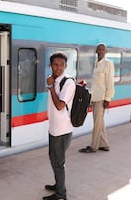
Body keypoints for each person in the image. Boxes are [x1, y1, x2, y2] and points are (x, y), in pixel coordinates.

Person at [44, 52, 75, 200]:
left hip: (62, 130)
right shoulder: (55, 80)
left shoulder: (68, 83)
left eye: (61, 65)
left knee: (58, 163)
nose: (58, 68)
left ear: (66, 66)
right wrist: (51, 84)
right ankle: (58, 185)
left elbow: (60, 106)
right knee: (53, 159)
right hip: (54, 128)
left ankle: (61, 195)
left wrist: (50, 87)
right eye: (55, 64)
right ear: (50, 65)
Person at [79, 43, 115, 153]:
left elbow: (110, 82)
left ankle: (94, 146)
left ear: (106, 52)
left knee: (97, 123)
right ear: (96, 51)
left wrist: (107, 99)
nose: (100, 51)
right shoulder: (96, 64)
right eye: (99, 49)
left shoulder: (108, 64)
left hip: (102, 98)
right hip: (95, 97)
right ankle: (104, 144)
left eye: (103, 50)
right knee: (100, 122)